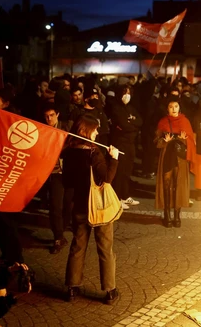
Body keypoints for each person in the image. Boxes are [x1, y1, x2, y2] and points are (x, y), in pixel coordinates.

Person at [62, 114, 120, 304]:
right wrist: (114, 159)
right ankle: (110, 290)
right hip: (99, 207)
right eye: (95, 129)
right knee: (105, 247)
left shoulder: (69, 151)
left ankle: (72, 287)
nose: (97, 133)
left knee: (78, 246)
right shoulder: (94, 154)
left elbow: (67, 181)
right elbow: (107, 178)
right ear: (86, 130)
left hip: (79, 205)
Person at [155, 98, 196, 227]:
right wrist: (164, 141)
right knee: (166, 184)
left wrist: (184, 140)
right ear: (167, 108)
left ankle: (177, 216)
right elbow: (156, 141)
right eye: (171, 106)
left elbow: (191, 142)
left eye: (176, 106)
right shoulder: (162, 122)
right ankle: (167, 215)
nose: (174, 109)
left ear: (179, 107)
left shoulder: (185, 121)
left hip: (180, 157)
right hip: (167, 155)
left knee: (178, 184)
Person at [42, 104, 70, 254]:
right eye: (46, 116)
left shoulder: (66, 127)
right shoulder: (43, 130)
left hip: (68, 171)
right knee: (55, 206)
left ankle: (62, 229)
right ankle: (58, 237)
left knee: (68, 204)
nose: (49, 119)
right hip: (54, 172)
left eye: (52, 115)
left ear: (57, 114)